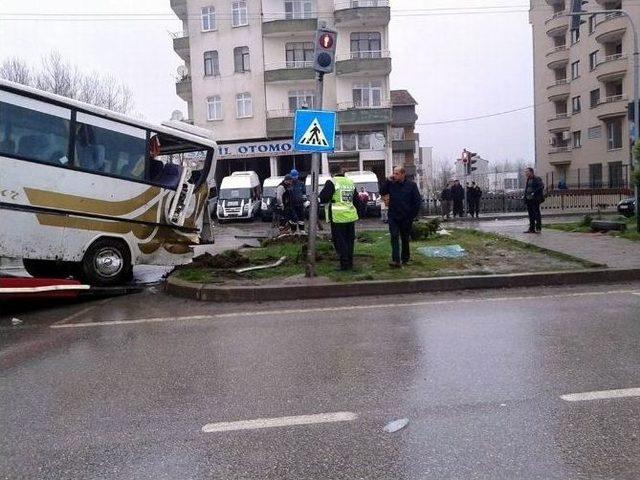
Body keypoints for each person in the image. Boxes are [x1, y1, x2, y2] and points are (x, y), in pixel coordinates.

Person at [318, 165, 361, 271]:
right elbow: (357, 200)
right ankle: (350, 263)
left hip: (338, 217)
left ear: (331, 173)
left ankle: (344, 265)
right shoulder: (350, 182)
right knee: (349, 241)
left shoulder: (331, 182)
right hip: (350, 216)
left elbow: (323, 198)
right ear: (342, 171)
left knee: (340, 242)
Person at [380, 166, 422, 268]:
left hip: (406, 217)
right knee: (394, 236)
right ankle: (396, 260)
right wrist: (387, 180)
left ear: (403, 174)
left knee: (404, 238)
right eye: (394, 173)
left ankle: (405, 258)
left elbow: (417, 201)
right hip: (393, 216)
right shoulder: (391, 184)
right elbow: (382, 192)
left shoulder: (411, 185)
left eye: (397, 173)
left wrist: (411, 216)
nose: (394, 175)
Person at [523, 167, 545, 233]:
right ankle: (531, 228)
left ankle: (538, 228)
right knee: (531, 214)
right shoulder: (528, 179)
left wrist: (534, 193)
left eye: (527, 172)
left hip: (535, 199)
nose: (526, 173)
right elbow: (527, 189)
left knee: (536, 214)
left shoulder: (537, 178)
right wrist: (525, 196)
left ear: (531, 172)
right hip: (528, 199)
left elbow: (541, 186)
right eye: (525, 172)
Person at [289, 169, 306, 234]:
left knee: (301, 218)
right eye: (293, 176)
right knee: (293, 218)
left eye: (295, 176)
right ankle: (293, 231)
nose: (294, 178)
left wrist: (305, 201)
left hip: (300, 205)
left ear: (298, 176)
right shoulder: (289, 185)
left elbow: (304, 193)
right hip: (292, 205)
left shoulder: (301, 184)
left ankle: (302, 231)